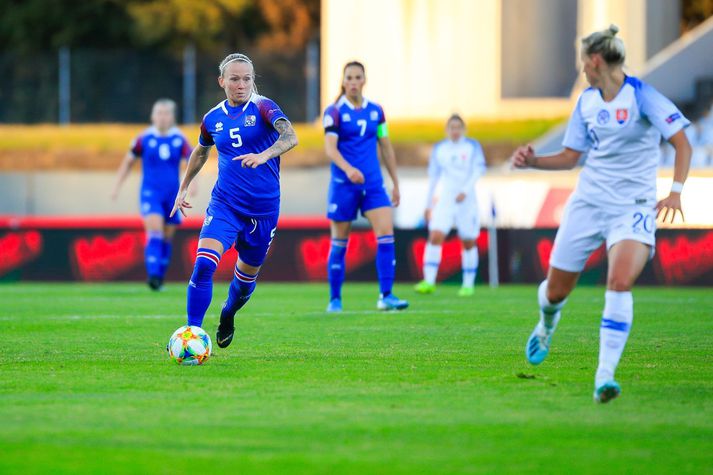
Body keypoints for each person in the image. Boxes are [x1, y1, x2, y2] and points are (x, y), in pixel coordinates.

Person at [511, 25, 691, 403]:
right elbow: (570, 157)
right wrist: (534, 162)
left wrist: (675, 193)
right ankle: (547, 324)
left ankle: (604, 376)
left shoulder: (643, 96)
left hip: (633, 207)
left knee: (619, 282)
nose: (583, 72)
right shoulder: (586, 103)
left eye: (583, 64)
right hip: (588, 204)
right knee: (555, 292)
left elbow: (681, 142)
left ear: (595, 61)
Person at [170, 53, 298, 349]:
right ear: (222, 81)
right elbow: (201, 151)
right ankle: (193, 335)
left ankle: (228, 314)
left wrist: (264, 155)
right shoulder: (212, 118)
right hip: (225, 204)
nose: (242, 85)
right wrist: (184, 185)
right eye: (235, 79)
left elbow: (291, 137)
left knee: (243, 283)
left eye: (247, 79)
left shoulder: (264, 107)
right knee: (203, 265)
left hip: (263, 210)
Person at [323, 61, 408, 312]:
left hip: (373, 185)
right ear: (343, 81)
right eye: (349, 77)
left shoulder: (377, 112)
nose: (353, 81)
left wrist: (395, 183)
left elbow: (386, 147)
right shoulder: (334, 112)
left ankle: (386, 295)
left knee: (386, 235)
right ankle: (335, 299)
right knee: (339, 241)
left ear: (364, 80)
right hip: (343, 186)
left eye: (357, 77)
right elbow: (330, 148)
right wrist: (349, 169)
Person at [111, 98, 192, 290]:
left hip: (173, 195)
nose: (162, 117)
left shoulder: (179, 139)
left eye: (166, 113)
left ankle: (160, 276)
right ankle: (153, 275)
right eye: (158, 113)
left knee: (166, 237)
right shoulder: (143, 139)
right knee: (154, 231)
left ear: (172, 116)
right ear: (152, 116)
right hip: (151, 193)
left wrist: (191, 184)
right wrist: (116, 186)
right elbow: (128, 162)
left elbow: (192, 161)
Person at [414, 114, 487, 297]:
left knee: (468, 240)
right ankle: (429, 281)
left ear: (463, 129)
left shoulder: (472, 146)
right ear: (447, 130)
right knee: (435, 235)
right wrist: (428, 204)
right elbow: (433, 177)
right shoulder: (440, 148)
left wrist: (466, 189)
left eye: (458, 127)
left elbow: (479, 169)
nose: (455, 131)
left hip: (467, 199)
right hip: (446, 198)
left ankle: (468, 284)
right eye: (452, 127)